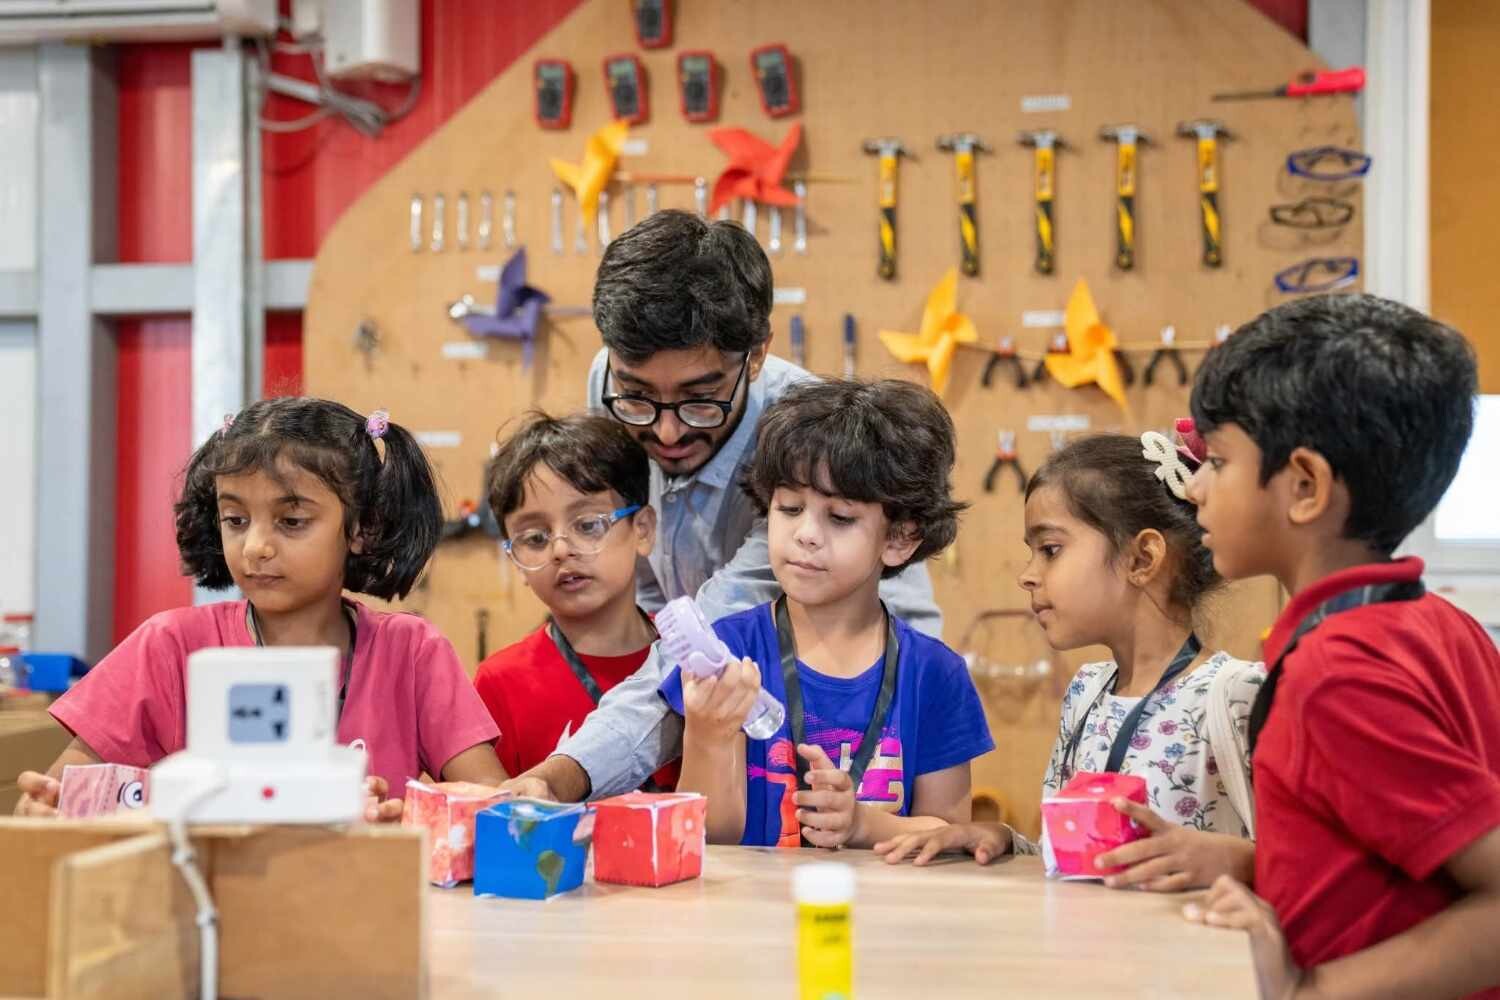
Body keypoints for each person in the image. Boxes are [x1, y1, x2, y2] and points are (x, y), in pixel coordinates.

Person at [507, 210, 941, 803]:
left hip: (857, 712)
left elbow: (705, 639)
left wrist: (566, 775)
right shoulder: (609, 383)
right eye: (637, 396)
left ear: (756, 355)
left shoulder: (803, 455)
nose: (663, 432)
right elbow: (663, 604)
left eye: (699, 399)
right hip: (718, 699)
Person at [1180, 294, 1500, 999]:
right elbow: (1396, 858)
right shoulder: (1444, 627)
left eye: (1220, 459)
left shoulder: (1336, 671)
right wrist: (1240, 861)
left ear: (1304, 486)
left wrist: (1308, 990)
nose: (1196, 488)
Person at [15, 397, 504, 819]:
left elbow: (492, 811)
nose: (255, 547)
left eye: (291, 521)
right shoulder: (168, 647)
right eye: (235, 519)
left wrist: (403, 824)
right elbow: (59, 797)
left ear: (363, 529)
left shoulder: (413, 653)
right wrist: (45, 809)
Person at [876, 432, 1263, 890]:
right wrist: (1000, 838)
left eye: (1050, 550)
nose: (1027, 575)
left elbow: (1305, 864)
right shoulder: (1087, 691)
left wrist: (1232, 862)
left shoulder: (1236, 694)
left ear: (1142, 558)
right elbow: (1067, 858)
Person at [663, 379, 992, 848]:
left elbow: (949, 834)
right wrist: (707, 737)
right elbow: (709, 836)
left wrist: (862, 825)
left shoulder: (935, 674)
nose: (806, 534)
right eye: (790, 508)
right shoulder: (729, 651)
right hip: (747, 917)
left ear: (899, 538)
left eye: (839, 517)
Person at [472, 412, 676, 790]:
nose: (561, 549)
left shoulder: (691, 660)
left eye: (587, 525)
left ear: (643, 530)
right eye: (534, 538)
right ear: (515, 559)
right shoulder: (499, 683)